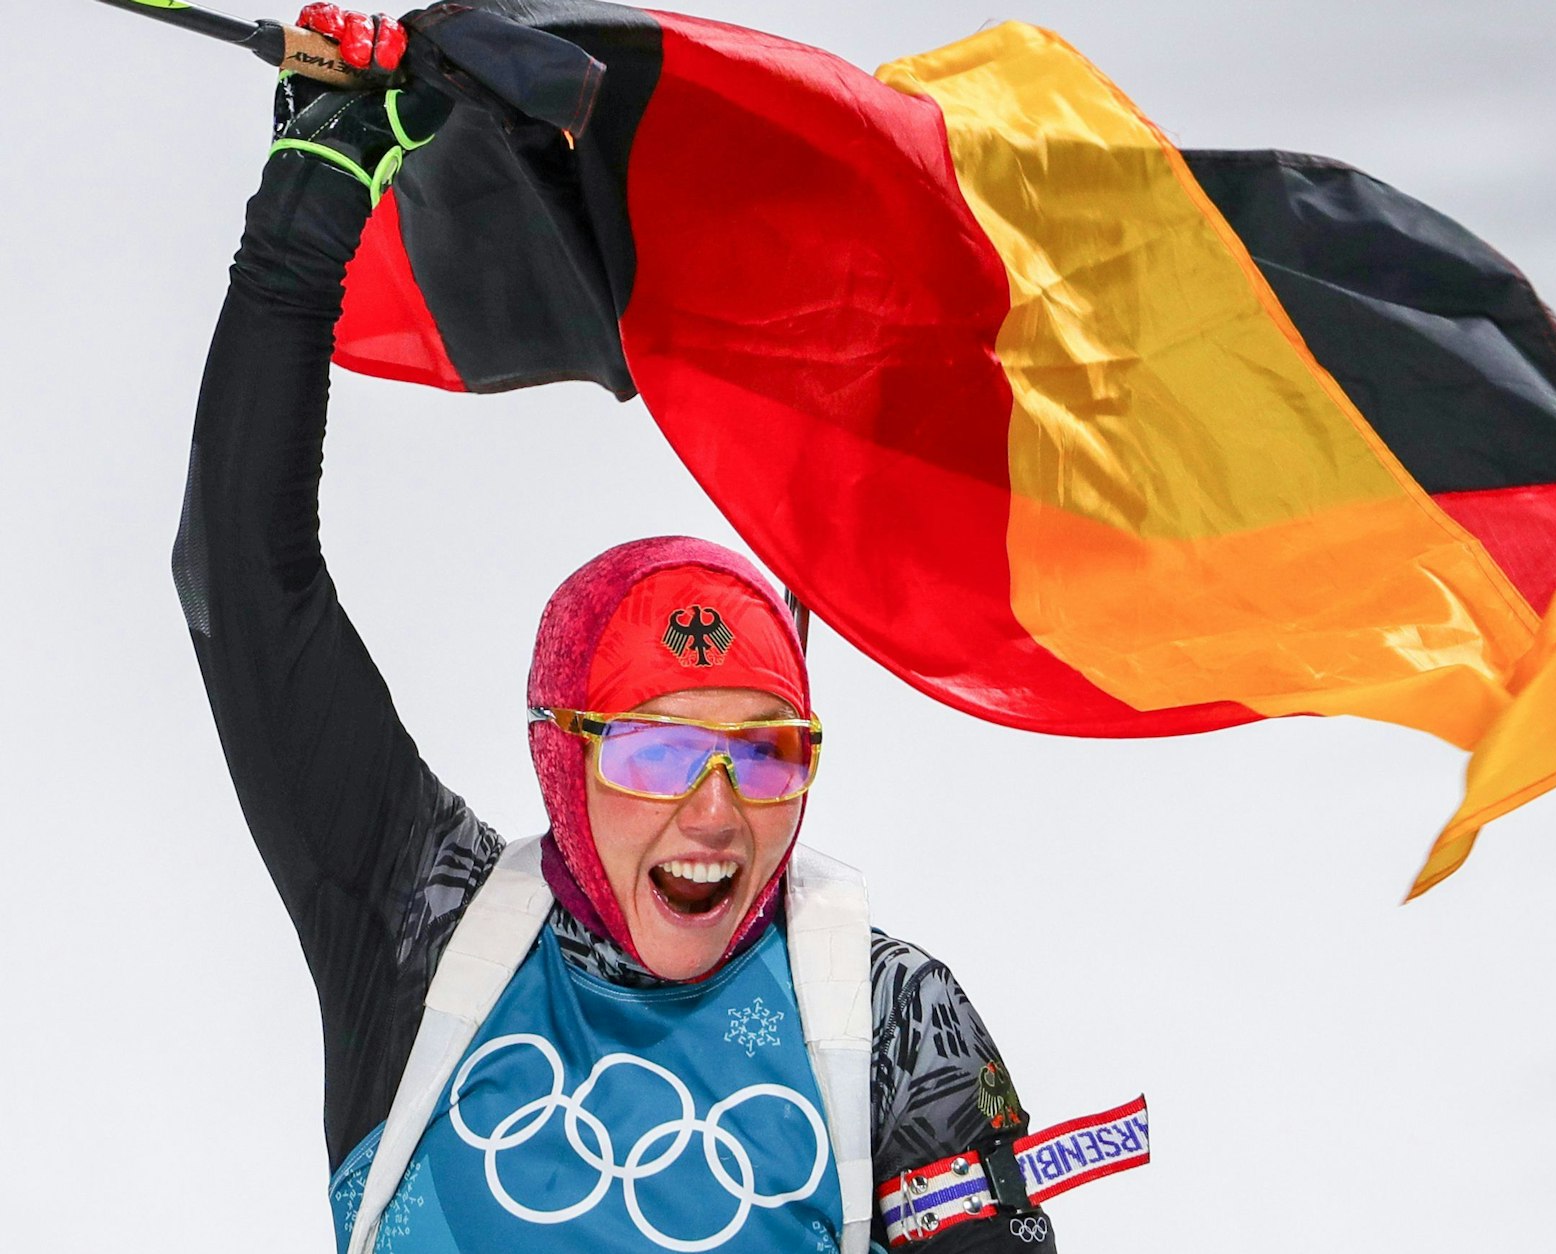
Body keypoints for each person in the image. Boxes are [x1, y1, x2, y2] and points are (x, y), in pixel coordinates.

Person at [172, 8, 1093, 1250]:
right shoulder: (420, 924)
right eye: (656, 750)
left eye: (765, 752)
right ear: (561, 748)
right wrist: (312, 199)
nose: (714, 812)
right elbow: (241, 574)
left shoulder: (886, 1020)